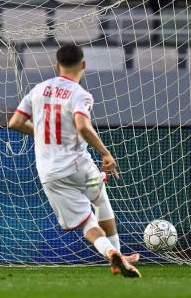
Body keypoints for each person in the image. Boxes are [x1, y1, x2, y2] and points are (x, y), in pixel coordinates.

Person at [8, 44, 141, 278]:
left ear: (56, 65)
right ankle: (117, 254)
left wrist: (41, 134)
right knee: (100, 198)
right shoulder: (80, 94)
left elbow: (16, 122)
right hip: (80, 165)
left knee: (87, 222)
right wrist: (105, 153)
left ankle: (111, 253)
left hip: (51, 173)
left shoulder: (38, 90)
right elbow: (82, 125)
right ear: (83, 65)